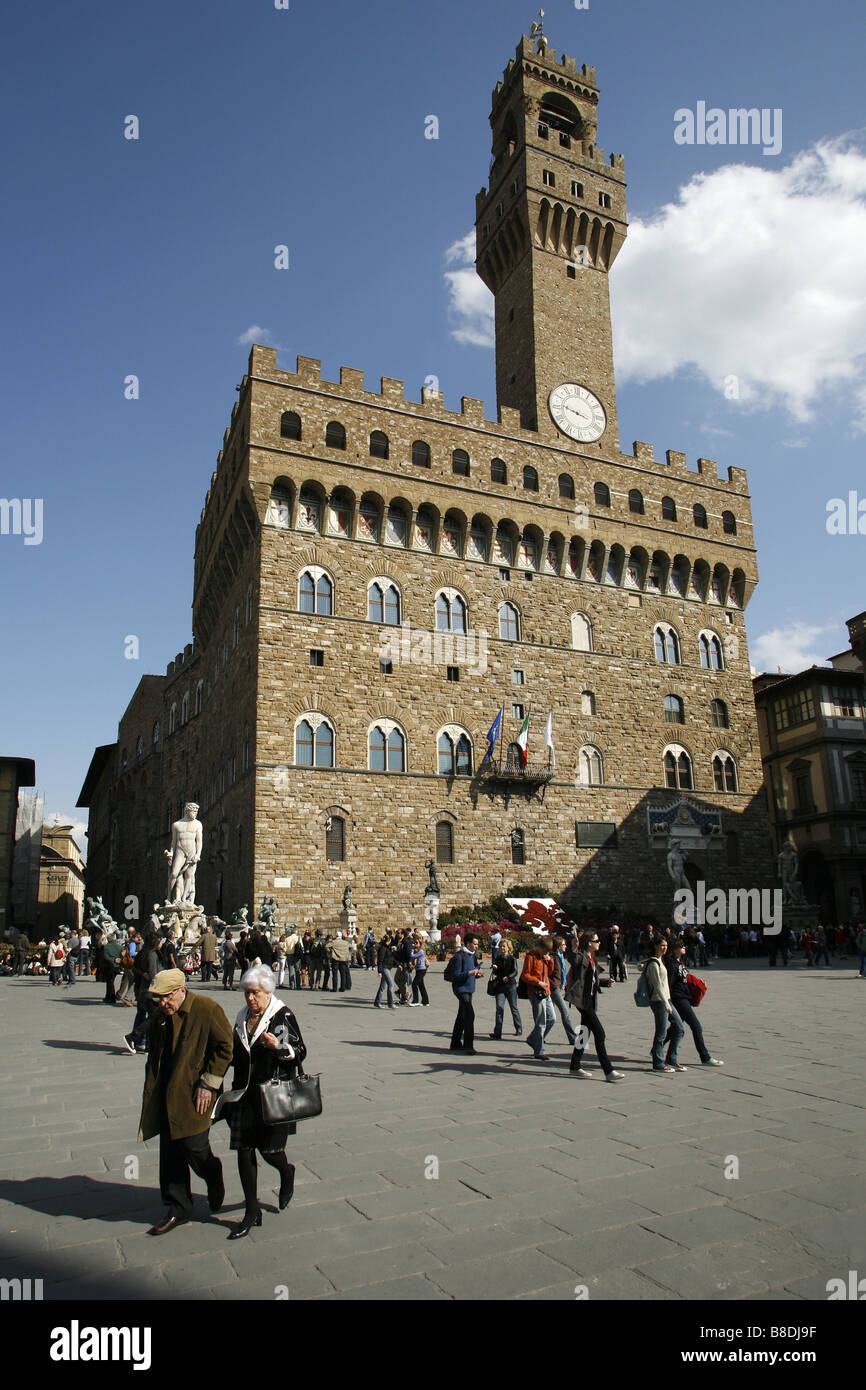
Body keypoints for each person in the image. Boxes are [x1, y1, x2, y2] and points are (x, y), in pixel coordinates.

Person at [137, 968, 233, 1236]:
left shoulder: (206, 1008)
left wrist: (209, 1082)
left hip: (195, 1093)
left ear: (181, 990)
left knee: (194, 1146)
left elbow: (226, 1046)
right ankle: (177, 1206)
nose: (162, 1004)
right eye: (159, 999)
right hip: (167, 1092)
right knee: (169, 1151)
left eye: (167, 997)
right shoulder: (161, 1015)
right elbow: (156, 1052)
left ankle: (213, 1174)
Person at [214, 965, 307, 1240]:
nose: (249, 999)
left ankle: (286, 1172)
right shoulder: (243, 1016)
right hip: (244, 1093)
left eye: (254, 993)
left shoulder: (281, 1016)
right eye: (246, 993)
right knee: (244, 1151)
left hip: (272, 1094)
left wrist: (276, 1047)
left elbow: (300, 1050)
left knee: (270, 1152)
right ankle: (251, 1210)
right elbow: (235, 1052)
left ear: (267, 991)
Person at [565, 930, 624, 1081]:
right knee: (600, 1033)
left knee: (584, 1032)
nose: (599, 943)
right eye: (596, 941)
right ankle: (608, 1070)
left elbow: (592, 980)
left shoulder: (592, 958)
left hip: (589, 999)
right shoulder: (581, 956)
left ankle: (574, 1065)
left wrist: (605, 982)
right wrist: (573, 947)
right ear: (589, 943)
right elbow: (572, 958)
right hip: (582, 1001)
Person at [664, 936, 723, 1067]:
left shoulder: (680, 962)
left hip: (685, 998)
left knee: (675, 1028)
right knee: (696, 1026)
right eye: (681, 946)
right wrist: (669, 1002)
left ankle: (657, 1048)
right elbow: (669, 985)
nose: (684, 948)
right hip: (679, 999)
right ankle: (705, 1057)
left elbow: (685, 979)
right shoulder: (672, 965)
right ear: (674, 950)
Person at [642, 937, 684, 1073]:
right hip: (659, 1001)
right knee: (661, 1032)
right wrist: (666, 1003)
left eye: (666, 945)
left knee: (679, 1028)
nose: (664, 948)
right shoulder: (654, 963)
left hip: (667, 999)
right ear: (655, 946)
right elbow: (657, 986)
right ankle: (658, 1063)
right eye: (661, 945)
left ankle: (671, 1058)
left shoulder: (661, 960)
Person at [124, 929, 161, 1054]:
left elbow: (134, 967)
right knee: (154, 1017)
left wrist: (141, 973)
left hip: (140, 989)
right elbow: (153, 974)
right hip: (150, 990)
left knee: (141, 1014)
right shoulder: (152, 954)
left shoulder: (141, 952)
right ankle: (135, 1038)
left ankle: (139, 1041)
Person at [521, 937, 555, 1060]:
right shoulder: (531, 956)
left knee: (551, 1018)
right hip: (536, 992)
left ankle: (533, 1039)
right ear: (540, 947)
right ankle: (539, 1050)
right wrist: (537, 982)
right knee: (541, 1022)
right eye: (545, 951)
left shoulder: (544, 957)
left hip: (546, 991)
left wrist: (549, 961)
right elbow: (525, 975)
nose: (546, 954)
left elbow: (549, 972)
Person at [449, 934, 483, 1053]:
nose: (476, 946)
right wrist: (469, 973)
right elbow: (455, 975)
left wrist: (477, 974)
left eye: (477, 944)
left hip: (469, 989)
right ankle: (468, 1045)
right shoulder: (459, 957)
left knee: (462, 1016)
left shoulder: (472, 956)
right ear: (468, 943)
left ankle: (455, 1042)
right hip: (461, 989)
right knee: (470, 1015)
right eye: (474, 944)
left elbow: (471, 972)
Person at [488, 939, 522, 1038]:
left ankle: (518, 1027)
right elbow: (496, 973)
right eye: (501, 946)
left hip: (510, 986)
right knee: (499, 1007)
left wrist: (509, 977)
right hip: (500, 986)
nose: (502, 948)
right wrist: (495, 968)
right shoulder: (498, 958)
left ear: (508, 948)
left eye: (504, 946)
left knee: (514, 1008)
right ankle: (497, 1032)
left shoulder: (512, 959)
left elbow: (515, 971)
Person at [549, 935, 579, 1046]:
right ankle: (572, 1037)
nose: (565, 946)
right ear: (558, 946)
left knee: (550, 1016)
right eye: (563, 944)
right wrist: (556, 983)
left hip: (559, 986)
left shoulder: (560, 956)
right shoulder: (553, 957)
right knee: (565, 1012)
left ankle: (537, 1037)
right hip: (555, 988)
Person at [373, 932, 396, 1008]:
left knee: (383, 986)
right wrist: (379, 971)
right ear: (388, 941)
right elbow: (380, 960)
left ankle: (377, 1002)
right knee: (391, 984)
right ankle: (390, 1003)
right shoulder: (383, 948)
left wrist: (398, 965)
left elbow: (392, 958)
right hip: (384, 968)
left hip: (387, 967)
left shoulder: (387, 948)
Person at [409, 933, 428, 1006]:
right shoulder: (418, 950)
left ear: (420, 944)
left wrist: (412, 949)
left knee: (414, 984)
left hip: (422, 969)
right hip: (419, 969)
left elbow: (412, 956)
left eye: (416, 943)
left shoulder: (421, 951)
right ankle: (425, 1001)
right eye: (414, 942)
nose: (414, 944)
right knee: (421, 985)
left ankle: (415, 1001)